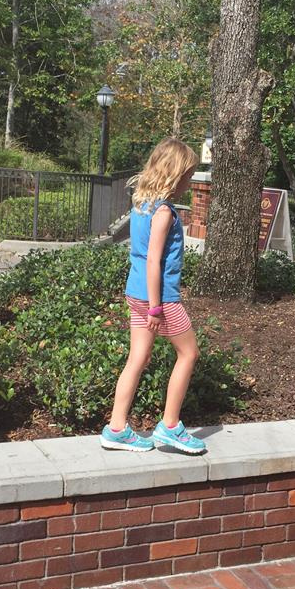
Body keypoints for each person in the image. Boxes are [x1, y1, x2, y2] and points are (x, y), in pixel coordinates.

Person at [101, 138, 206, 455]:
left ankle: (116, 428)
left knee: (138, 358)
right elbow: (153, 261)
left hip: (136, 293)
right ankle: (170, 425)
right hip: (159, 299)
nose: (189, 183)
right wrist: (157, 308)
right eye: (188, 176)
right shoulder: (163, 212)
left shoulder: (142, 205)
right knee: (189, 354)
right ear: (175, 174)